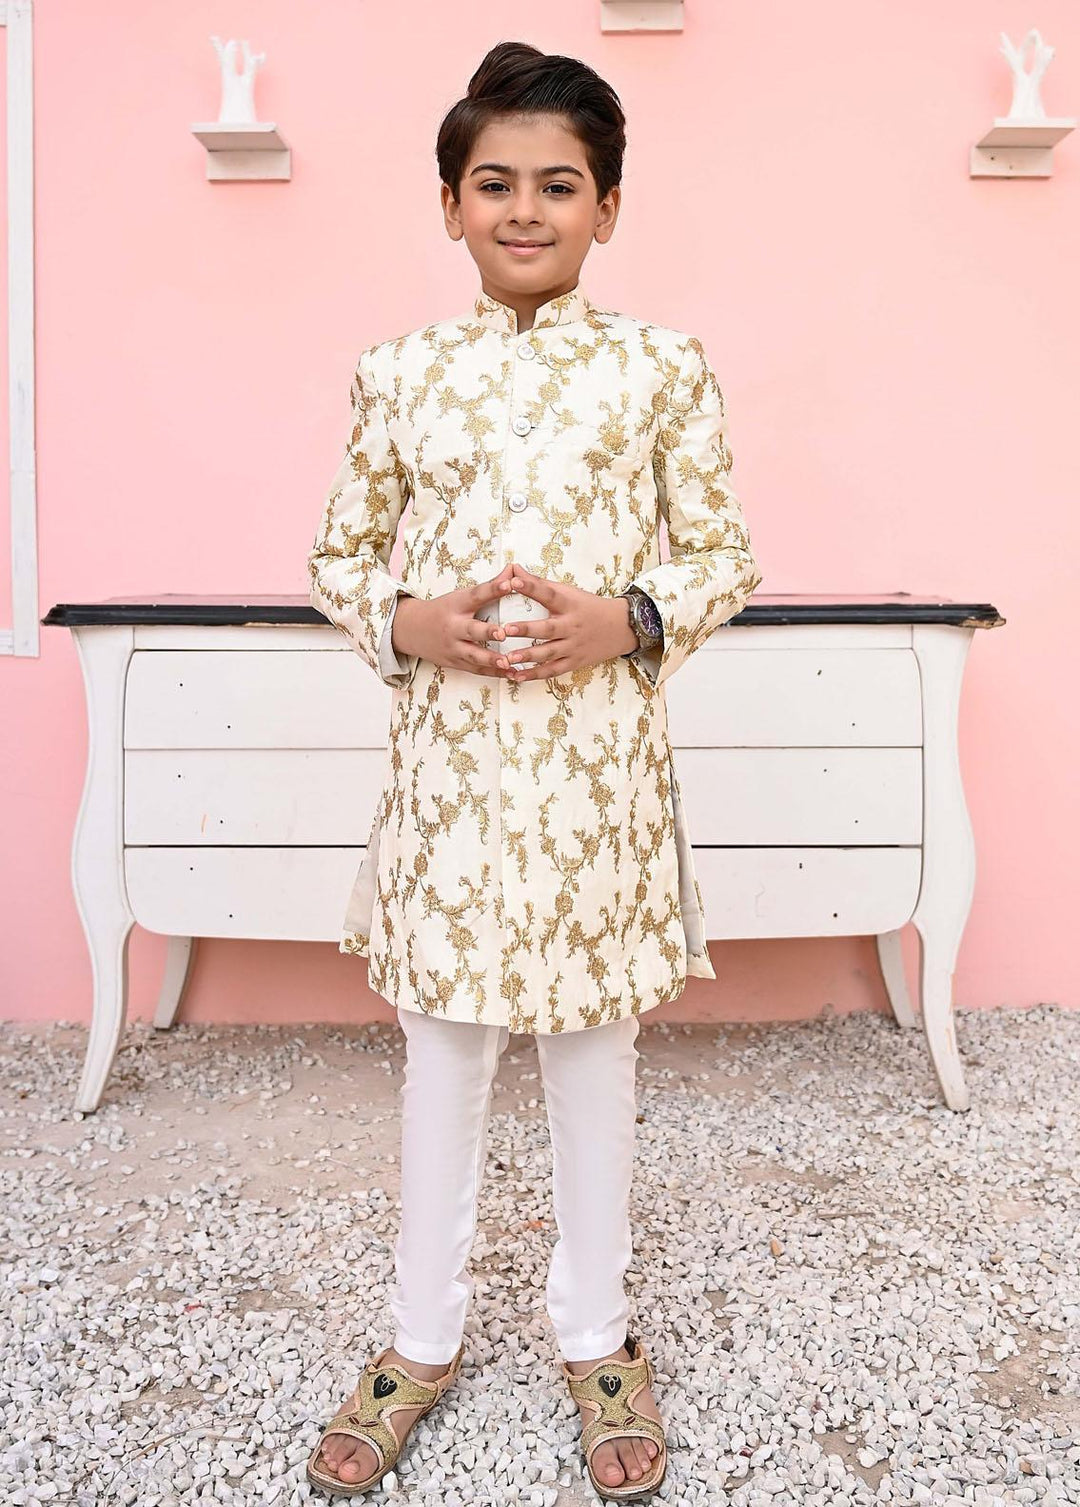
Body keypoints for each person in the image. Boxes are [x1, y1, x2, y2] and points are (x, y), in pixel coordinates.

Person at [304, 39, 763, 1501]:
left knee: (590, 1054)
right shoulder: (400, 374)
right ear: (449, 204)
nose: (524, 209)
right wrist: (410, 622)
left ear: (606, 207)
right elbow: (335, 559)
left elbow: (723, 554)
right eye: (494, 182)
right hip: (449, 774)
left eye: (558, 185)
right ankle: (419, 1337)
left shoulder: (659, 368)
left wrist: (623, 619)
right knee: (443, 1050)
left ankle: (596, 1333)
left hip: (597, 774)